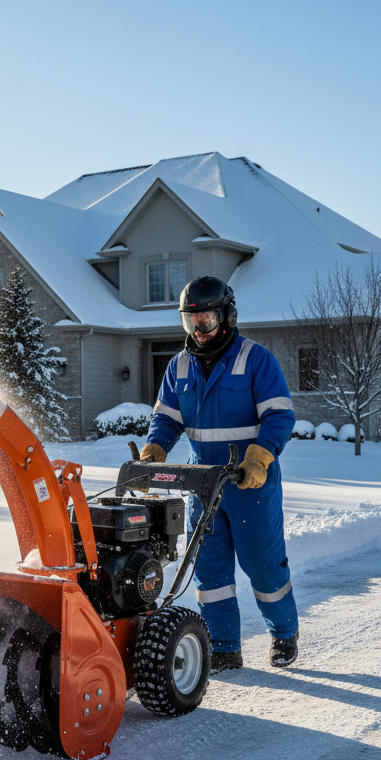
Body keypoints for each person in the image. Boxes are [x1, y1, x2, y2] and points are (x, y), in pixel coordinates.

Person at [140, 276, 299, 670]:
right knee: (209, 572)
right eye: (190, 321)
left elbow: (279, 415)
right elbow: (166, 418)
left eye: (206, 320)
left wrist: (260, 457)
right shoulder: (178, 367)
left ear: (226, 317)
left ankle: (283, 635)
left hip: (250, 482)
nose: (198, 329)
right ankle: (225, 646)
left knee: (263, 565)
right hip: (204, 482)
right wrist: (156, 448)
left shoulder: (255, 359)